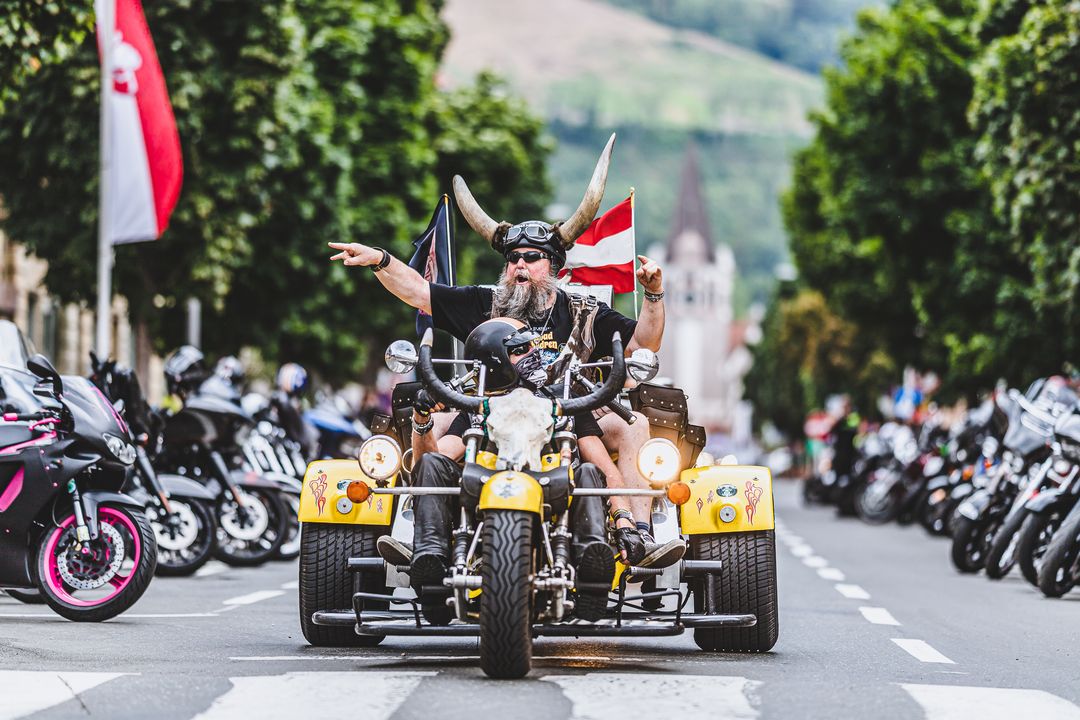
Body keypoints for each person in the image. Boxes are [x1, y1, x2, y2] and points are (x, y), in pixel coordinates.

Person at [329, 134, 682, 568]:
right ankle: (420, 535)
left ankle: (638, 536)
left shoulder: (584, 308)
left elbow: (642, 346)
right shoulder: (484, 301)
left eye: (531, 257)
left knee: (634, 426)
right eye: (513, 257)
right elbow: (421, 292)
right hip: (486, 407)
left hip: (572, 408)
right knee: (426, 430)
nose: (519, 265)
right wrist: (381, 259)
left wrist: (654, 294)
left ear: (554, 268)